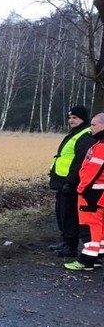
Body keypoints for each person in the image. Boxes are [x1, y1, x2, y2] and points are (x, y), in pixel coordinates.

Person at [48, 105, 96, 258]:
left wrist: (71, 181)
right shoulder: (76, 133)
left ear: (83, 118)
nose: (71, 120)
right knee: (61, 212)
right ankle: (65, 242)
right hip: (62, 181)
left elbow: (80, 161)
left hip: (71, 182)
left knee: (69, 215)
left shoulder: (85, 135)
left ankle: (70, 246)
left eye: (74, 117)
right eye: (70, 117)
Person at [65, 112, 104, 271]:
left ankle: (86, 260)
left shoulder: (101, 147)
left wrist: (81, 189)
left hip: (92, 193)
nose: (91, 128)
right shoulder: (99, 143)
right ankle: (98, 256)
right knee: (99, 226)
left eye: (94, 125)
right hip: (98, 193)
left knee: (89, 226)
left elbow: (92, 171)